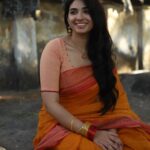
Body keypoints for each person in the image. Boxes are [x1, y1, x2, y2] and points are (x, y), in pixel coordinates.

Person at [33, 0, 150, 149]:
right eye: (73, 12)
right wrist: (91, 132)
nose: (79, 17)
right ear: (67, 18)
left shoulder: (101, 50)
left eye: (86, 11)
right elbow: (50, 104)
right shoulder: (55, 49)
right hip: (63, 124)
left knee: (136, 143)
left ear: (96, 16)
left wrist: (112, 128)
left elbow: (116, 99)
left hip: (103, 120)